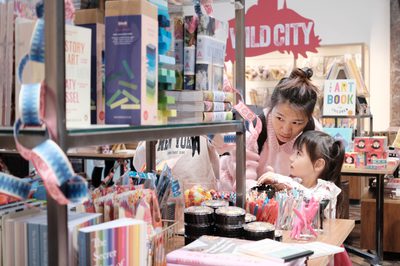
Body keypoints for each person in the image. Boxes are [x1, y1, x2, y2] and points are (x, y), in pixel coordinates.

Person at [219, 67, 321, 190]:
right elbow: (244, 181)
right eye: (280, 118)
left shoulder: (314, 133)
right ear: (271, 108)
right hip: (239, 196)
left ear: (308, 118)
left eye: (296, 123)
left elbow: (316, 180)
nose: (286, 130)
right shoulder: (254, 129)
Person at [257, 130, 345, 218]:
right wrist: (274, 189)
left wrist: (282, 180)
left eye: (299, 153)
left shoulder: (327, 190)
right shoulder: (296, 182)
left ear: (318, 165)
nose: (291, 158)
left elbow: (312, 200)